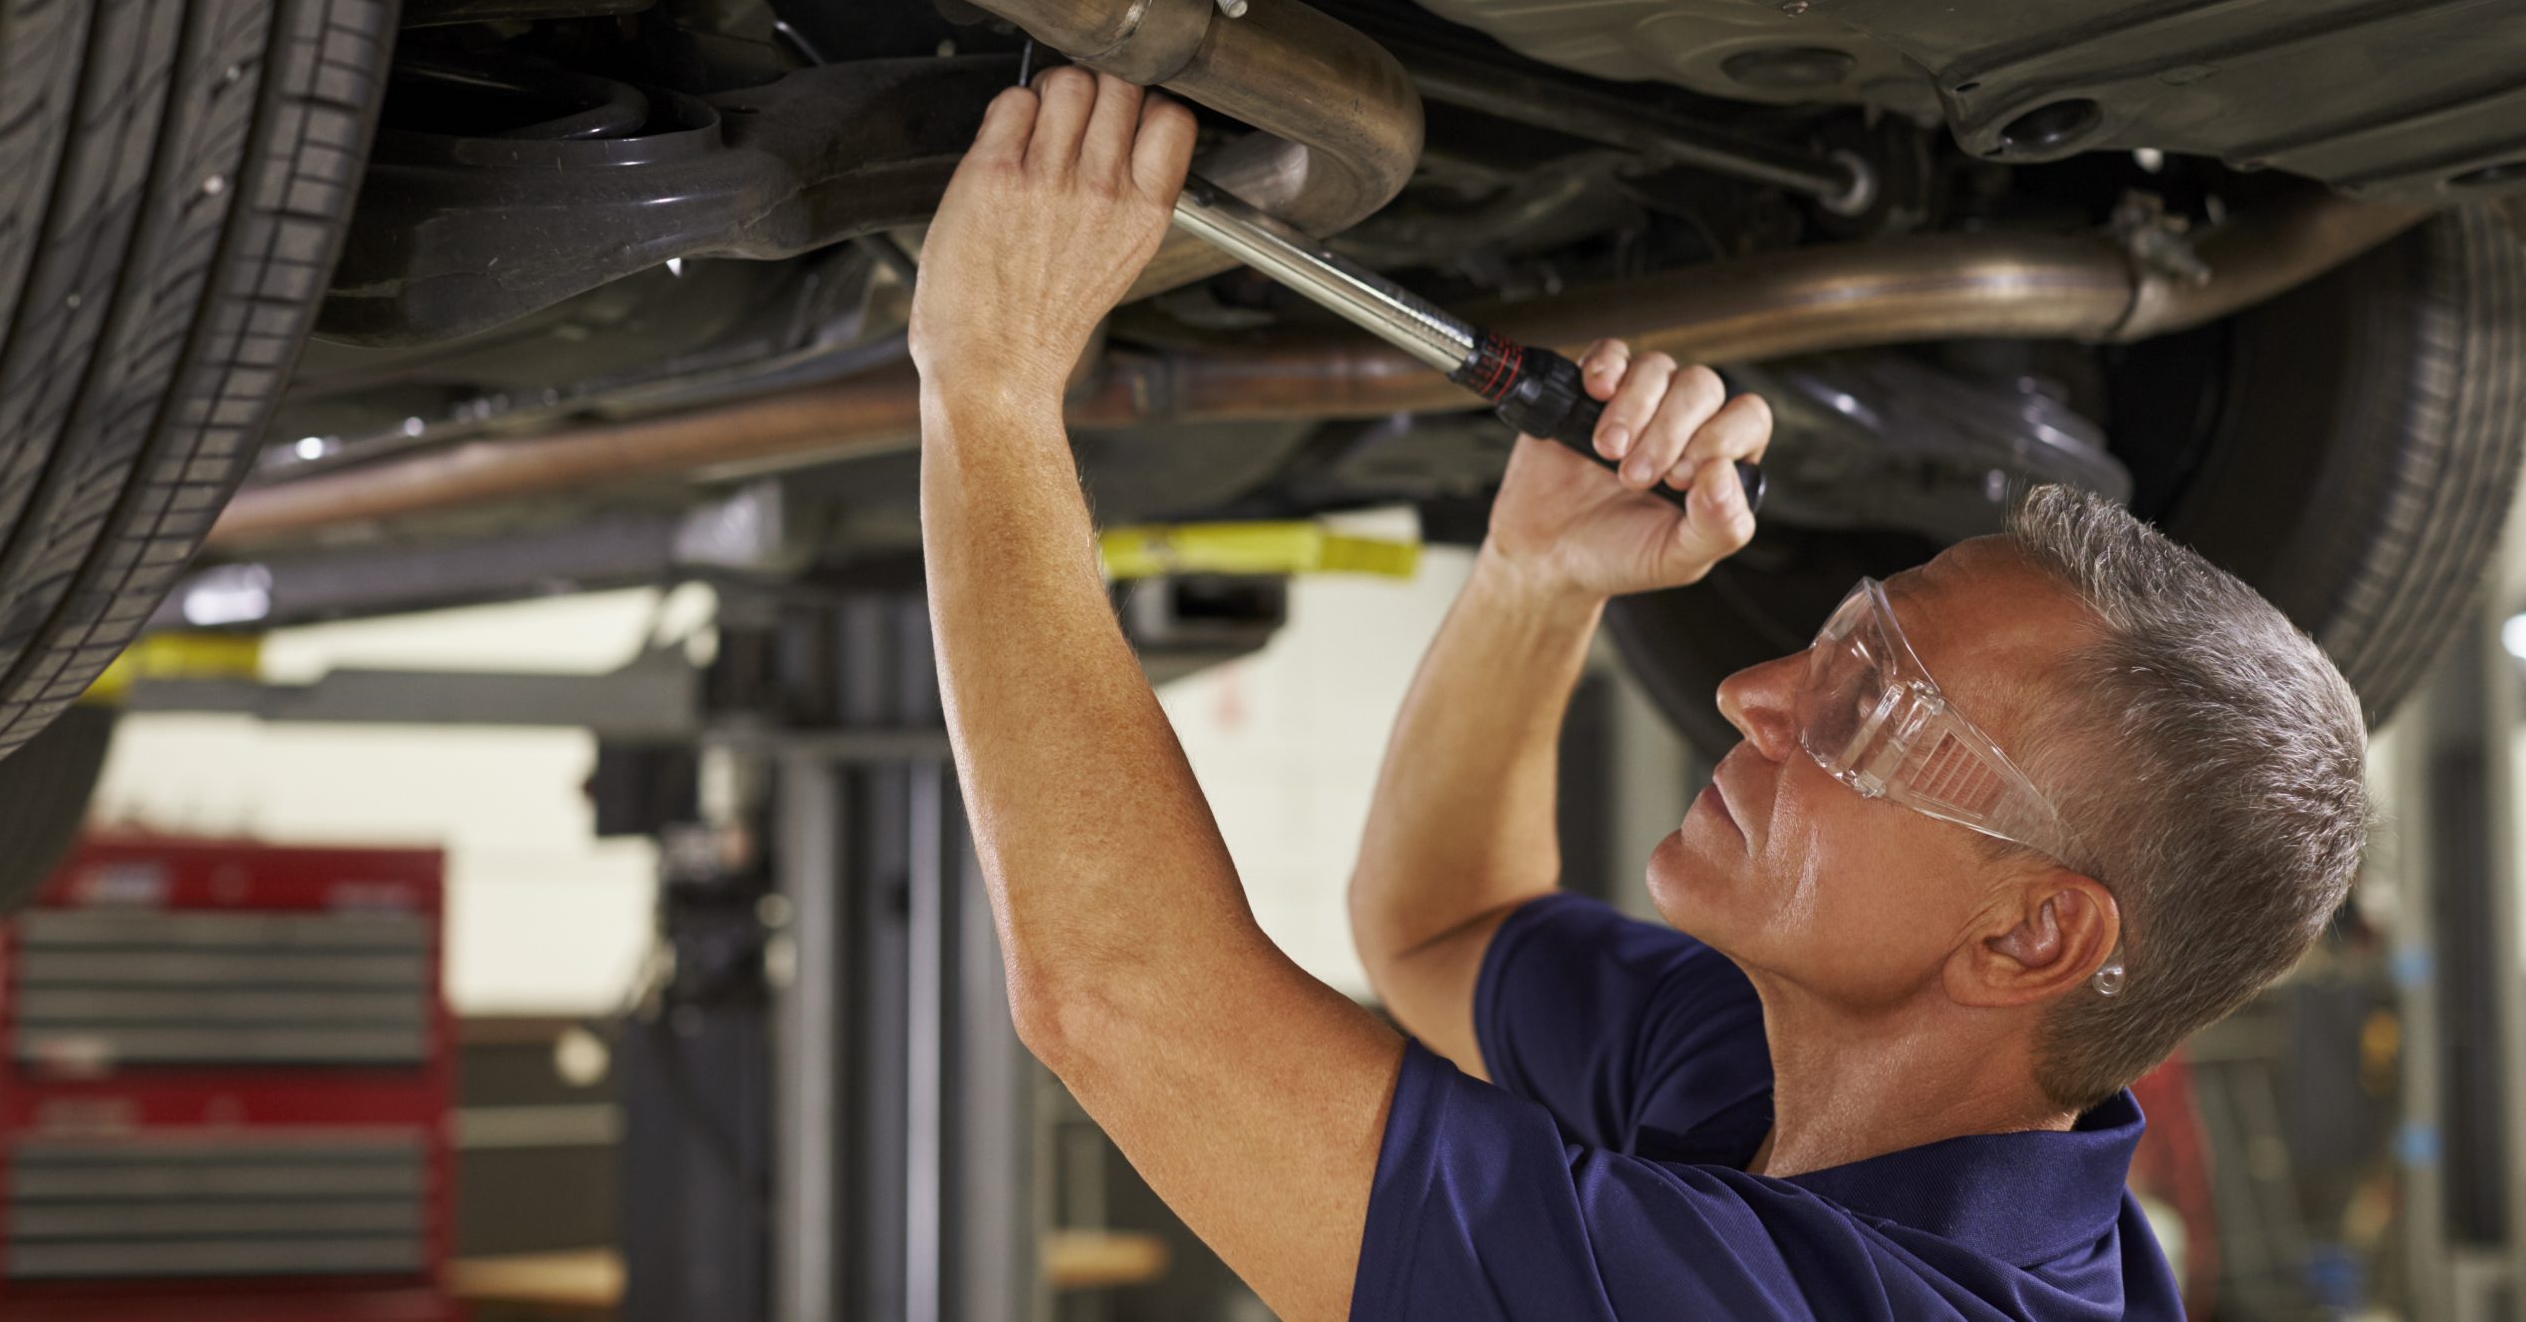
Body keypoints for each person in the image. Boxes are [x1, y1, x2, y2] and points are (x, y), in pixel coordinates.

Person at [908, 66, 2370, 1321]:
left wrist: (989, 381)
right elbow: (1438, 930)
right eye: (1841, 641)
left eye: (1872, 709)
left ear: (2034, 930)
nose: (1750, 692)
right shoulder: (1804, 1083)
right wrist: (1535, 584)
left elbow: (1125, 1000)